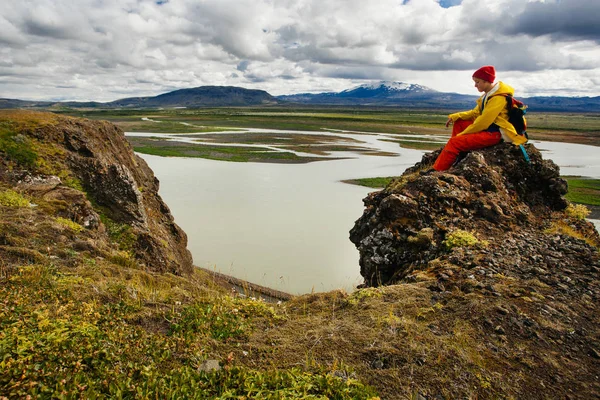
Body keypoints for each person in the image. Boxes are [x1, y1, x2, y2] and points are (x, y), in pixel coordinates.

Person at [433, 65, 528, 171]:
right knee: (460, 122)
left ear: (486, 81)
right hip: (489, 130)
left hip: (495, 133)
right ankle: (460, 152)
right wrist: (455, 116)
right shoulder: (488, 95)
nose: (475, 85)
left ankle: (438, 170)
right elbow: (475, 113)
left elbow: (483, 122)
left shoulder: (498, 98)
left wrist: (462, 135)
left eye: (477, 82)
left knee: (454, 142)